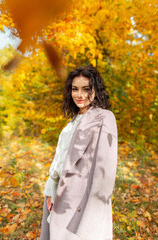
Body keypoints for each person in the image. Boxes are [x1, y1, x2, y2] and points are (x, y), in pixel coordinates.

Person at [40, 65, 118, 240]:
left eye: (86, 89)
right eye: (75, 89)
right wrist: (51, 190)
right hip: (60, 195)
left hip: (81, 200)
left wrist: (91, 218)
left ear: (96, 90)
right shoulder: (72, 121)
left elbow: (105, 172)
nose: (79, 95)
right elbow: (59, 160)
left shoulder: (104, 117)